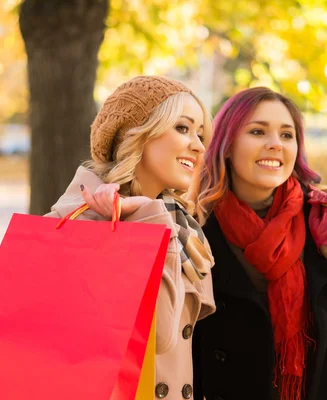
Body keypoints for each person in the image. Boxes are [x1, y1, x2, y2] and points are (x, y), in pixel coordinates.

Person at [191, 87, 327, 400]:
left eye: (287, 135)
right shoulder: (197, 227)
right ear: (226, 145)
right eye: (257, 131)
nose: (275, 144)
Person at [45, 76, 216, 400]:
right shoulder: (77, 225)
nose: (198, 145)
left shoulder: (184, 228)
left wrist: (151, 214)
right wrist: (150, 220)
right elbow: (159, 336)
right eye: (182, 128)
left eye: (200, 133)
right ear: (135, 134)